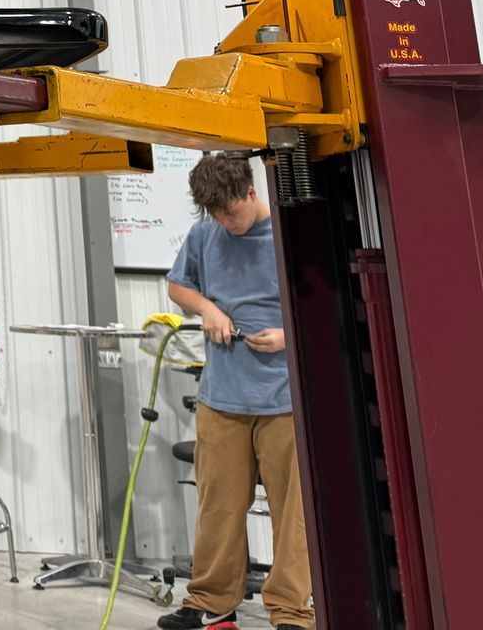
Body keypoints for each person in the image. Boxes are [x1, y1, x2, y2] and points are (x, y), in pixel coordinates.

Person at [159, 153, 313, 630]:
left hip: (284, 399)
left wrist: (287, 335)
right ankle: (211, 603)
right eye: (217, 215)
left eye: (232, 211)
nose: (227, 222)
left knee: (294, 513)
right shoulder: (207, 234)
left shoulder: (292, 234)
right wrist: (207, 308)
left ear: (251, 192)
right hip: (222, 397)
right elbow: (177, 287)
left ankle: (291, 612)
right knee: (219, 504)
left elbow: (322, 306)